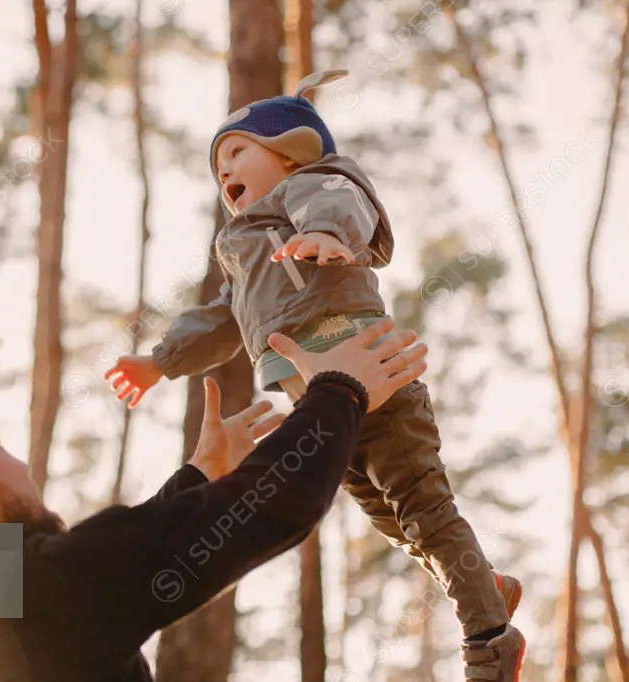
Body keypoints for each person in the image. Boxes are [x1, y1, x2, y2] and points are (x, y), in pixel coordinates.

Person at [103, 70, 526, 681]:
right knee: (394, 521)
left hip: (373, 376)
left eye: (237, 151)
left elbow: (336, 203)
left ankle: (490, 641)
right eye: (218, 169)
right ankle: (482, 584)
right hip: (328, 408)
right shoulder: (243, 247)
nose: (225, 175)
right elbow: (220, 318)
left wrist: (326, 234)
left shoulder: (313, 188)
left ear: (290, 150)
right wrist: (160, 361)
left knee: (423, 506)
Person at [0, 318, 427, 682]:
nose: (22, 462)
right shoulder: (31, 589)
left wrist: (198, 476)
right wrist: (340, 390)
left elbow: (110, 571)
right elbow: (273, 504)